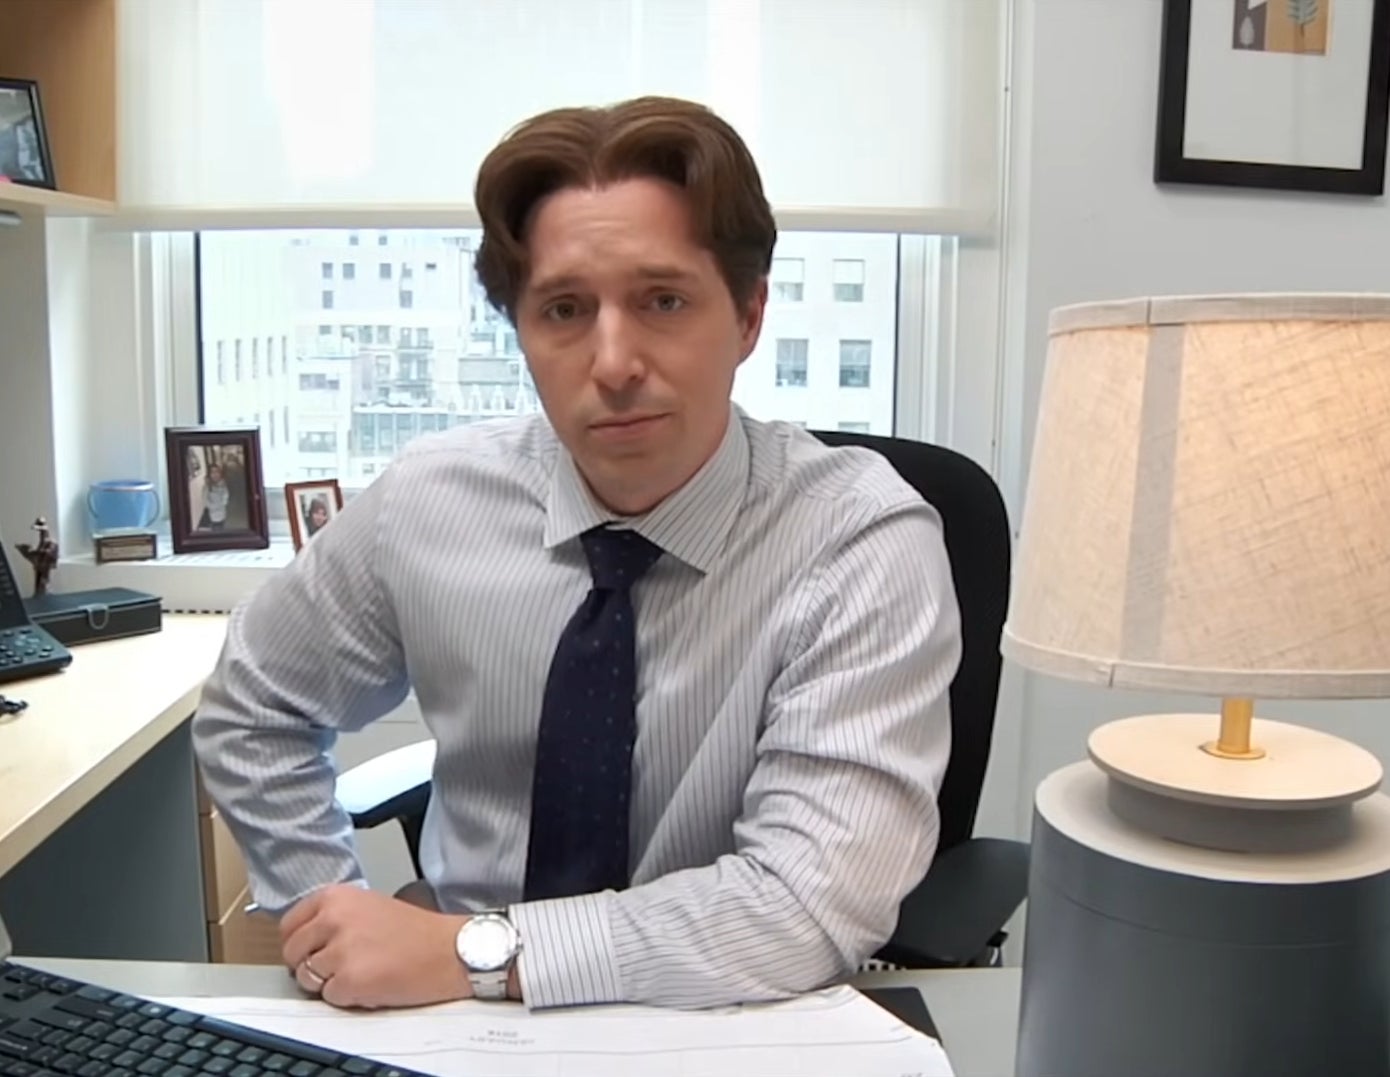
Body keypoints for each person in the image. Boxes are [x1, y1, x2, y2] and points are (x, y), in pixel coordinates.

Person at [192, 95, 960, 1014]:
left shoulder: (859, 538)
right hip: (454, 1022)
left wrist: (479, 951)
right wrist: (327, 909)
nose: (614, 360)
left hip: (733, 1019)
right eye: (563, 309)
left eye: (663, 300)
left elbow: (806, 900)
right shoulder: (429, 502)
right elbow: (252, 706)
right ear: (519, 330)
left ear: (750, 315)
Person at [198, 463, 230, 531]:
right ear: (209, 474)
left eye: (217, 472)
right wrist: (216, 505)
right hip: (212, 518)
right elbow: (205, 502)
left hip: (222, 516)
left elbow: (225, 500)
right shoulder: (207, 487)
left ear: (220, 473)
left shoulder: (223, 484)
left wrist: (217, 504)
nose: (215, 474)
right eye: (212, 472)